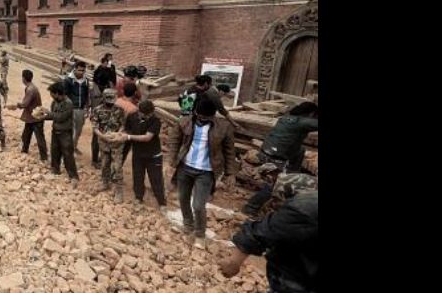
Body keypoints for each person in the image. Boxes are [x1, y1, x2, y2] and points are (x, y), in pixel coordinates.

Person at [221, 174, 318, 293]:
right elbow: (257, 234)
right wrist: (233, 263)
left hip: (300, 280)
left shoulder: (304, 208)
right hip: (299, 287)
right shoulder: (303, 209)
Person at [168, 97, 238, 249]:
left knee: (199, 205)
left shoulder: (223, 127)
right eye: (199, 116)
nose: (202, 120)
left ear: (213, 116)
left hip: (206, 172)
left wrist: (230, 173)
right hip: (185, 168)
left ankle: (200, 234)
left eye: (206, 118)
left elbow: (229, 152)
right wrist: (171, 162)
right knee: (183, 198)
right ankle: (188, 226)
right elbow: (174, 141)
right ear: (195, 112)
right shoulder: (185, 122)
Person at [242, 102, 319, 217]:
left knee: (300, 149)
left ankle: (292, 175)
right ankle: (250, 208)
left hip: (268, 150)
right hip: (274, 157)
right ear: (311, 113)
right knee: (273, 186)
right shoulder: (302, 122)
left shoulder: (287, 117)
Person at [123, 100, 167, 212]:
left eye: (150, 114)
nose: (149, 116)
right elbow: (126, 129)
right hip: (138, 153)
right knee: (138, 176)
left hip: (153, 155)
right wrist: (120, 135)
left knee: (156, 179)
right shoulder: (132, 117)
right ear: (140, 112)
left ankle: (162, 203)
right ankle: (138, 198)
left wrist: (128, 137)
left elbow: (147, 137)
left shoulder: (155, 121)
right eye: (146, 114)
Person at [40, 82, 79, 186]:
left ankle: (73, 176)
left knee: (67, 154)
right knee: (55, 151)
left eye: (52, 94)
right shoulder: (55, 102)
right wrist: (43, 117)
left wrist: (48, 112)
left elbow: (61, 117)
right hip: (56, 131)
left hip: (65, 132)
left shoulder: (68, 103)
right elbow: (54, 116)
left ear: (57, 93)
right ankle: (55, 169)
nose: (51, 96)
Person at [91, 88, 126, 202]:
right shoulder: (97, 110)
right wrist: (103, 136)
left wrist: (117, 133)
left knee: (117, 166)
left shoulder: (120, 110)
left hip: (116, 142)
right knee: (105, 163)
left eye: (112, 98)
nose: (111, 101)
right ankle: (105, 182)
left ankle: (119, 190)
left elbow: (123, 125)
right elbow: (95, 127)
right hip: (104, 141)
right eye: (108, 98)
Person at [10, 69, 48, 162]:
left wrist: (15, 105)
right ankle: (25, 150)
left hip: (35, 117)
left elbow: (25, 104)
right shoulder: (32, 87)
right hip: (32, 116)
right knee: (26, 135)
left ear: (23, 78)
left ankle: (44, 157)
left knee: (39, 137)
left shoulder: (30, 89)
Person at [64, 61, 91, 155]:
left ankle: (74, 146)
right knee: (69, 130)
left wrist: (87, 108)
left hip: (81, 109)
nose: (81, 72)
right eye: (80, 70)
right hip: (71, 109)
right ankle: (67, 149)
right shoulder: (68, 80)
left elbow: (87, 95)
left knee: (78, 130)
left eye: (83, 70)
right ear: (75, 69)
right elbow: (65, 95)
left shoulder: (86, 81)